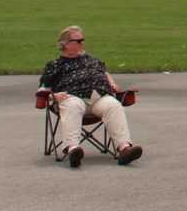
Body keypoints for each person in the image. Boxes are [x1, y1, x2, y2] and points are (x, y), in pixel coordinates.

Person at [37, 25, 143, 167]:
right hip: (72, 96)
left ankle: (124, 149)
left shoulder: (91, 60)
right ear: (65, 45)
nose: (82, 43)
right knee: (72, 105)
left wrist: (112, 84)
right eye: (78, 41)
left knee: (113, 105)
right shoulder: (55, 65)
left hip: (98, 96)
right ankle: (73, 149)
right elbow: (43, 89)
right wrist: (53, 96)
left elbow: (104, 73)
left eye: (83, 40)